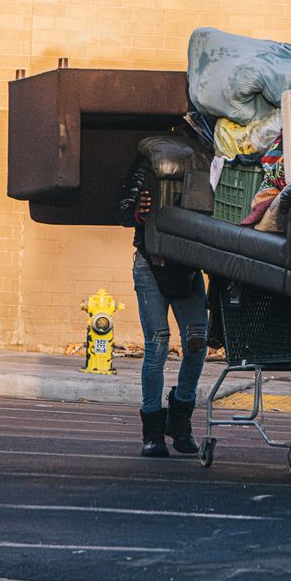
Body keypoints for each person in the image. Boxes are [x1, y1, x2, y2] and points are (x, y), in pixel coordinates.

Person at [118, 158, 208, 457]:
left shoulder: (208, 161)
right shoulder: (146, 163)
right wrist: (137, 210)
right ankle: (153, 429)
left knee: (197, 342)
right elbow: (120, 208)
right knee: (157, 343)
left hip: (188, 267)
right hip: (150, 262)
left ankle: (180, 418)